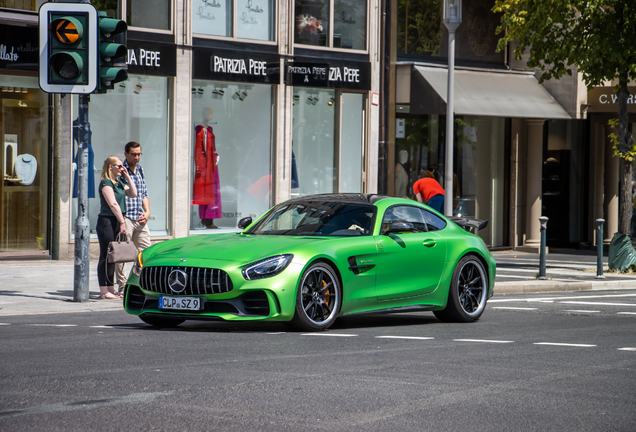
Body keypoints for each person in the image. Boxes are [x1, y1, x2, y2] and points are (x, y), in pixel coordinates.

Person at [96, 155, 137, 299]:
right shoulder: (106, 182)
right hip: (107, 221)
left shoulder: (119, 182)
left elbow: (133, 193)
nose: (121, 168)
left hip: (117, 221)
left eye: (122, 166)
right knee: (105, 256)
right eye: (119, 166)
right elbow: (113, 204)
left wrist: (127, 175)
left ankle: (111, 289)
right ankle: (103, 291)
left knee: (112, 257)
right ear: (110, 167)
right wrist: (122, 222)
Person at [115, 142, 151, 293]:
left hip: (140, 217)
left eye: (139, 154)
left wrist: (148, 212)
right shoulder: (121, 171)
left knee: (147, 252)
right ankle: (123, 285)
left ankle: (143, 282)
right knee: (122, 254)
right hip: (127, 218)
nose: (136, 157)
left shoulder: (140, 170)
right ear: (126, 154)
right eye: (133, 154)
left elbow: (144, 194)